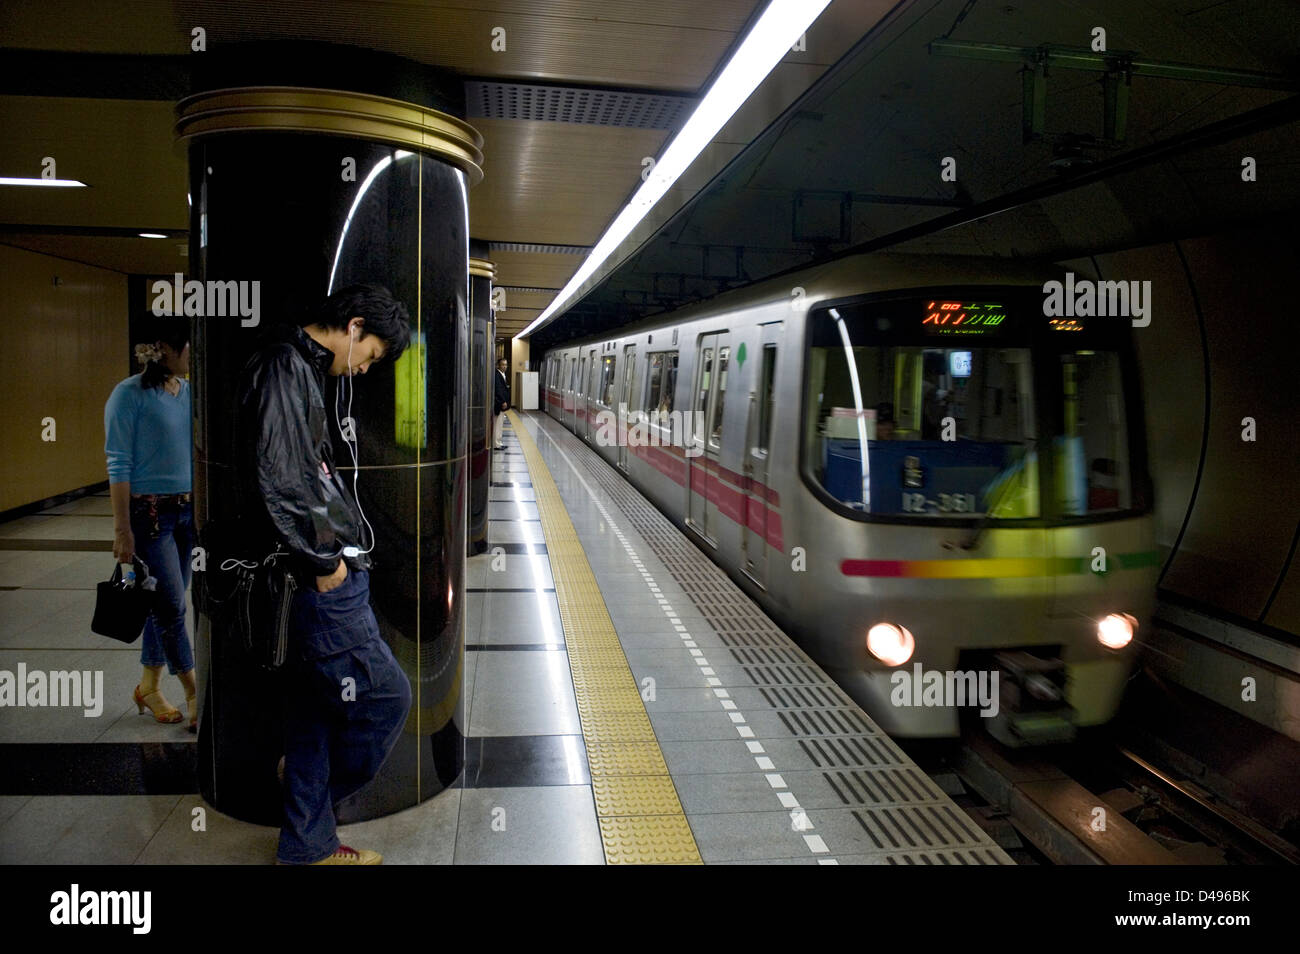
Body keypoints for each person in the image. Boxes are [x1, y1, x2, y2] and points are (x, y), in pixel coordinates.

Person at [236, 283, 413, 866]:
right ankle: (307, 810)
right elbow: (283, 479)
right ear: (355, 326)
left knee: (313, 716)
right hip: (318, 583)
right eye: (373, 354)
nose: (365, 369)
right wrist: (327, 564)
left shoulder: (297, 367)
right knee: (386, 697)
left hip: (321, 575)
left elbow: (308, 475)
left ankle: (306, 847)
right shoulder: (286, 366)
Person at [105, 320, 198, 730]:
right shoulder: (128, 395)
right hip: (151, 517)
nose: (194, 355)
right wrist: (122, 529)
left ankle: (148, 686)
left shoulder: (189, 392)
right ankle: (195, 692)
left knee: (164, 605)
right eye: (189, 347)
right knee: (173, 608)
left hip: (187, 514)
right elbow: (118, 463)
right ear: (165, 348)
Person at [493, 357, 510, 449]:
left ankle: (498, 442)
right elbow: (498, 390)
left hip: (500, 404)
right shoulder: (497, 375)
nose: (504, 366)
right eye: (502, 364)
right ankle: (496, 444)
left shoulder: (501, 374)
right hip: (499, 404)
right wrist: (503, 401)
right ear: (498, 365)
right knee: (497, 425)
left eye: (506, 364)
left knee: (499, 424)